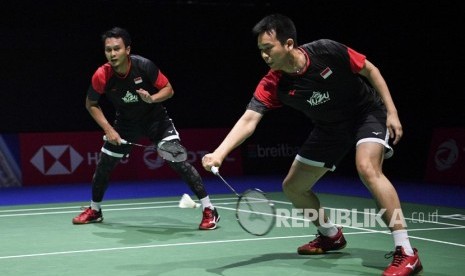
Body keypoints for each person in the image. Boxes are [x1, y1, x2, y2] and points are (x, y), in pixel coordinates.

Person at [202, 14, 422, 275]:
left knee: (367, 167)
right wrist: (219, 152)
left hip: (365, 114)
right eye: (260, 50)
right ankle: (330, 235)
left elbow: (369, 69)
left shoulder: (327, 51)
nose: (264, 55)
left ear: (288, 44)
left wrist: (391, 111)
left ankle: (406, 252)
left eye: (268, 48)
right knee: (294, 187)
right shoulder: (273, 82)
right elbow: (249, 119)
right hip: (329, 128)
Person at [72, 27, 220, 230]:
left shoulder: (144, 66)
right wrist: (108, 129)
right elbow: (91, 104)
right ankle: (95, 210)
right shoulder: (102, 75)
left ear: (127, 50)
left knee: (177, 160)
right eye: (108, 50)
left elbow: (169, 89)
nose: (113, 54)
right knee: (104, 166)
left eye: (117, 49)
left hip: (155, 119)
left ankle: (209, 209)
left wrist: (152, 98)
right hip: (125, 123)